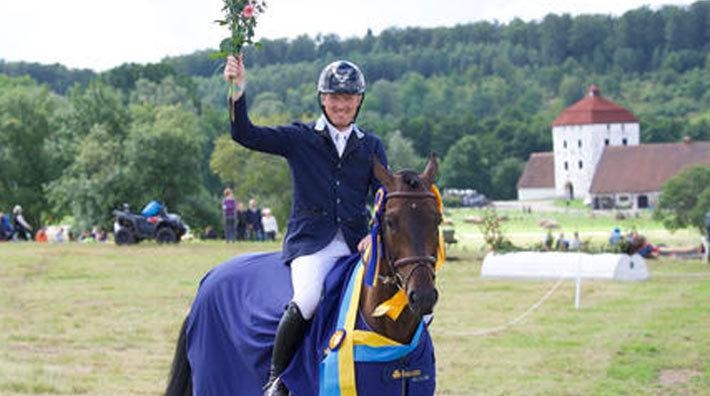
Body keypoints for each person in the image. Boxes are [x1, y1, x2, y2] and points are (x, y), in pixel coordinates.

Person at [224, 55, 388, 395]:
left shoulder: (371, 146)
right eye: (335, 97)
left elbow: (384, 196)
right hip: (311, 243)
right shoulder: (300, 138)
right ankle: (276, 379)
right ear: (322, 99)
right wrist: (237, 90)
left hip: (356, 245)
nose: (342, 104)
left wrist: (374, 235)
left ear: (359, 101)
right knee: (309, 298)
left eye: (349, 97)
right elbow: (245, 134)